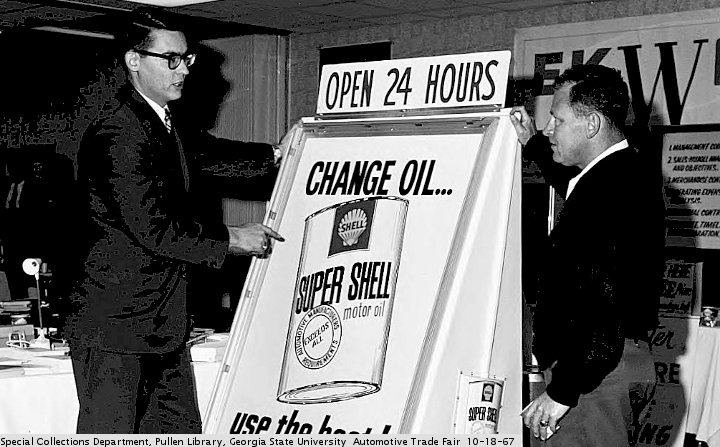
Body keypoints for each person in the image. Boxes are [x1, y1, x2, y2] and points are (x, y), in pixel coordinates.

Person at [66, 8, 293, 434]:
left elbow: (208, 155)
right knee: (112, 434)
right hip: (116, 326)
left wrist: (279, 153)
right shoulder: (119, 132)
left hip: (160, 321)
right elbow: (152, 227)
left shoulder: (162, 123)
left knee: (179, 431)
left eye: (186, 58)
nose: (184, 70)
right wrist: (232, 238)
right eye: (171, 59)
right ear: (134, 60)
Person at [510, 64, 665, 446]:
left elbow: (606, 301)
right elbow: (576, 186)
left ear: (592, 124)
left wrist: (565, 388)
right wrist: (533, 144)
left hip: (595, 372)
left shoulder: (613, 191)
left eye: (558, 120)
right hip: (603, 364)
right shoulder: (616, 175)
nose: (549, 129)